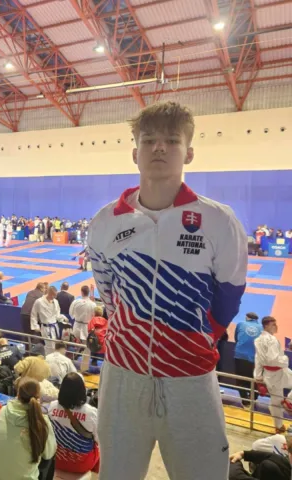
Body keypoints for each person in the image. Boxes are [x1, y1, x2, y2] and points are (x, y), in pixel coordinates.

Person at [87, 102, 248, 479]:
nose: (159, 147)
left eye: (172, 140)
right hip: (122, 377)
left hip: (191, 381)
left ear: (189, 152)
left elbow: (229, 297)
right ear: (135, 153)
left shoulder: (218, 221)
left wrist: (191, 343)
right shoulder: (105, 222)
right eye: (149, 140)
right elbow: (109, 295)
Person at [0, 377, 57, 480]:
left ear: (18, 394)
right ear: (39, 397)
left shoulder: (4, 410)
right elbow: (49, 454)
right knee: (48, 458)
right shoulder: (42, 421)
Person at [48, 373, 99, 474]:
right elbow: (99, 439)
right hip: (81, 464)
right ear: (82, 390)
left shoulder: (52, 407)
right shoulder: (91, 413)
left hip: (56, 460)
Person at [254, 316, 292, 433]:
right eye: (273, 325)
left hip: (269, 375)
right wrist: (285, 359)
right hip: (278, 372)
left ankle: (278, 427)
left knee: (276, 402)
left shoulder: (258, 340)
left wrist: (258, 376)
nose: (276, 326)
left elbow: (258, 359)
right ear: (266, 326)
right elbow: (272, 359)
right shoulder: (272, 340)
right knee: (276, 402)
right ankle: (289, 402)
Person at [234, 312, 262, 407]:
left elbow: (236, 338)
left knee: (241, 380)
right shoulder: (262, 328)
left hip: (240, 355)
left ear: (247, 317)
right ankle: (253, 398)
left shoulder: (240, 324)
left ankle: (245, 402)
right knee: (255, 379)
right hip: (256, 358)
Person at [31, 286, 65, 355]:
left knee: (55, 346)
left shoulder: (55, 302)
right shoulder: (39, 301)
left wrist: (63, 318)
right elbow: (33, 314)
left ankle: (52, 358)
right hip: (46, 327)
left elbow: (57, 315)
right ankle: (47, 359)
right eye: (52, 295)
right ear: (48, 293)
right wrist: (35, 326)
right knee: (50, 347)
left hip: (55, 327)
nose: (53, 297)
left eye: (55, 295)